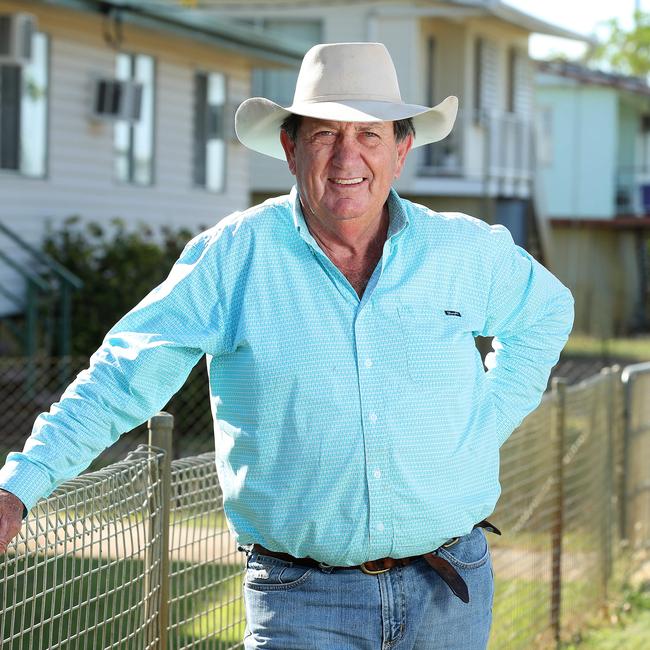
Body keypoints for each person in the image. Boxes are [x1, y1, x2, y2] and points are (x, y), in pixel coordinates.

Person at [0, 42, 574, 648]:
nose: (347, 157)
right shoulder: (233, 258)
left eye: (370, 136)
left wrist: (486, 422)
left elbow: (546, 313)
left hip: (449, 593)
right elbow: (123, 376)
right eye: (325, 134)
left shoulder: (465, 251)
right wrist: (19, 487)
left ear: (401, 150)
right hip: (301, 604)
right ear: (290, 147)